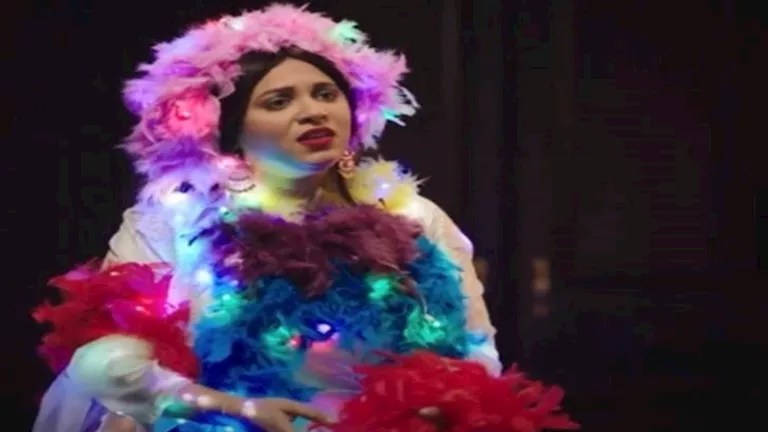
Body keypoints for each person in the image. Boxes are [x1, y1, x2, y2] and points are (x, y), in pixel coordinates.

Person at [32, 4, 503, 432]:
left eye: (325, 94)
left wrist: (448, 405)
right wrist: (230, 408)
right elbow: (104, 360)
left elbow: (476, 348)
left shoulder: (413, 216)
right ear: (229, 128)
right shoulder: (177, 220)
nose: (312, 112)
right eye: (279, 101)